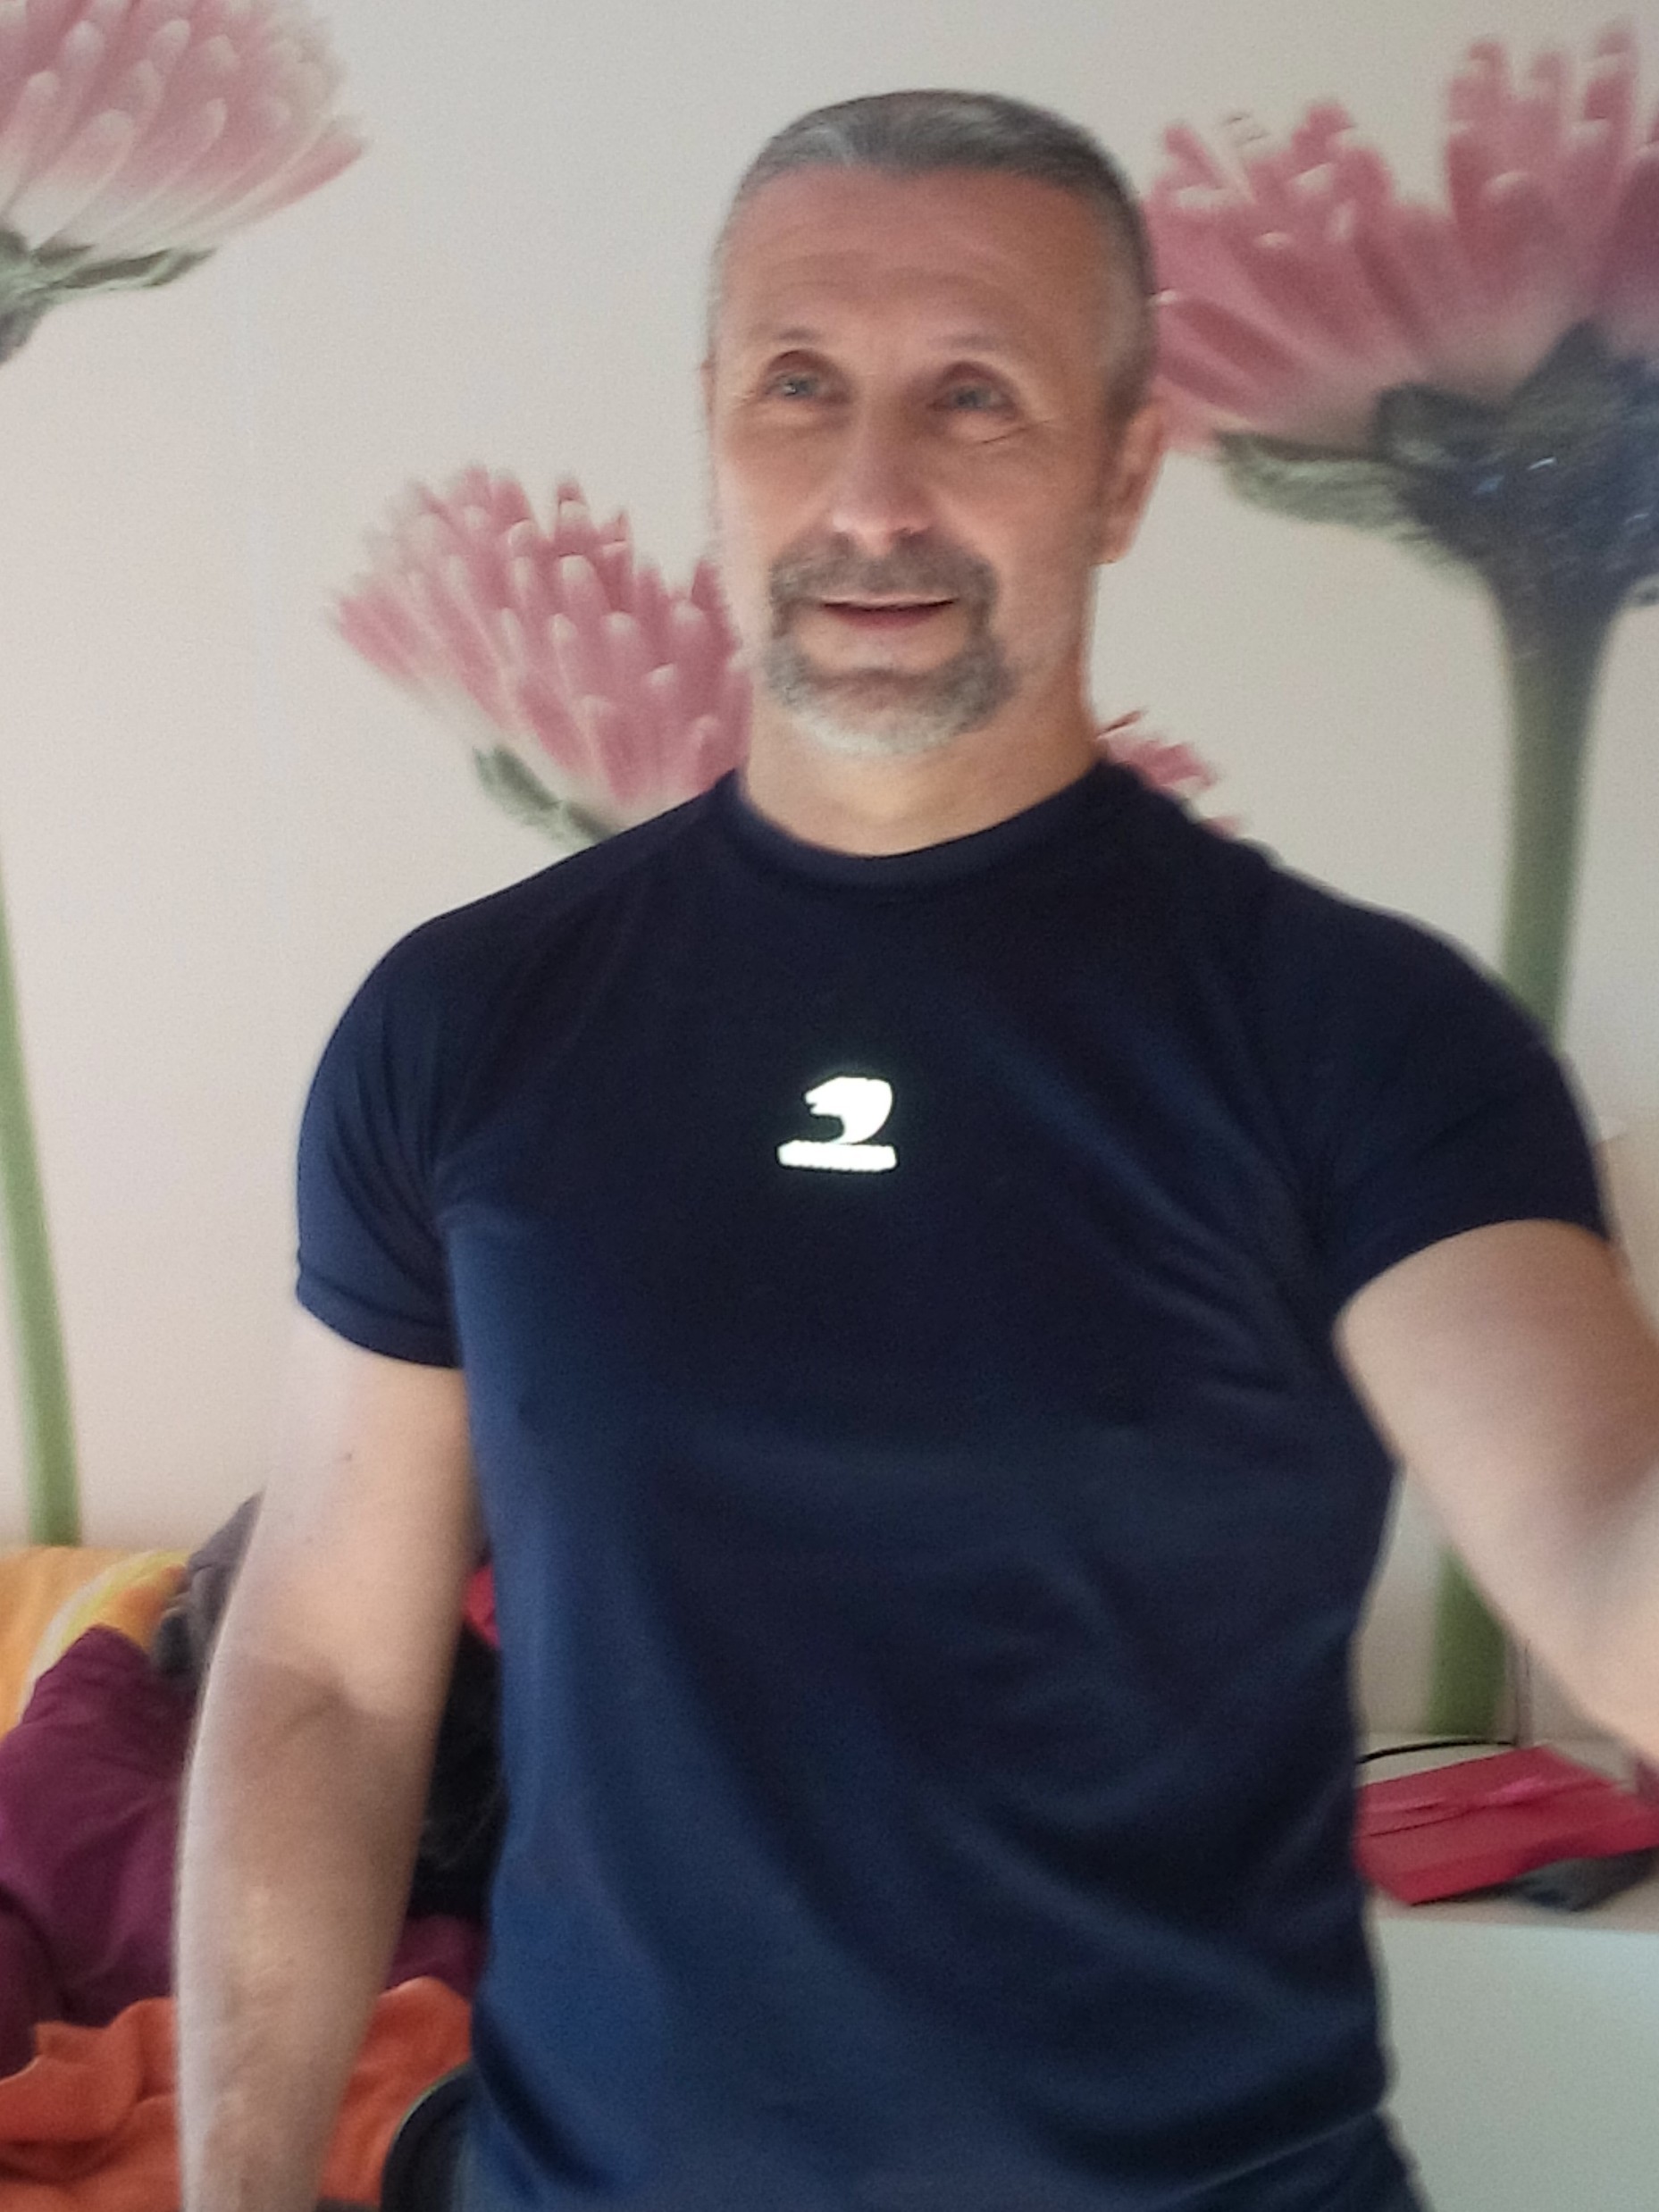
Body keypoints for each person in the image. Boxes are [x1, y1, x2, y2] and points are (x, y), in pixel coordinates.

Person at [176, 89, 1659, 2212]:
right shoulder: (466, 1023)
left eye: (974, 394)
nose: (870, 497)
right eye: (801, 385)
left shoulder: (1359, 1035)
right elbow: (323, 1668)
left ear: (1122, 466)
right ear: (714, 428)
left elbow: (1601, 1543)